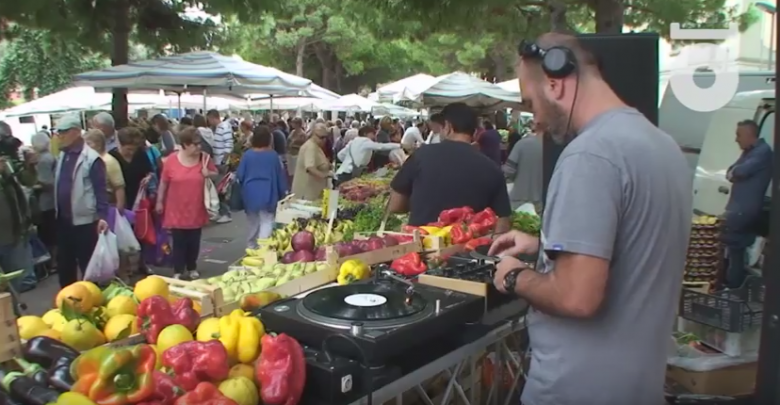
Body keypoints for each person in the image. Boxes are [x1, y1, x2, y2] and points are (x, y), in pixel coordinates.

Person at [487, 33, 692, 405]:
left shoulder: (590, 156)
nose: (535, 121)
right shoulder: (662, 145)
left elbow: (577, 297)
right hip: (639, 387)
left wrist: (514, 274)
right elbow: (636, 248)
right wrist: (545, 245)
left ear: (555, 82)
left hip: (577, 390)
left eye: (532, 104)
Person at [389, 103, 512, 229]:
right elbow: (503, 220)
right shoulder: (492, 168)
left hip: (421, 243)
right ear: (475, 133)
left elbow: (395, 205)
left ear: (447, 127)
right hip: (469, 245)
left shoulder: (421, 155)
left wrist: (422, 203)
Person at [53, 114, 109, 288]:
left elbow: (100, 189)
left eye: (64, 132)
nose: (60, 136)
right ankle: (67, 299)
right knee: (65, 265)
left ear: (76, 132)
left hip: (85, 222)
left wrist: (102, 216)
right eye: (58, 132)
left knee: (88, 267)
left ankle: (90, 300)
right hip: (63, 220)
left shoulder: (91, 158)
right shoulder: (63, 155)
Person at [155, 127, 217, 280]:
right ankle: (178, 269)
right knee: (178, 241)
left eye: (199, 143)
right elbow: (164, 182)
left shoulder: (204, 158)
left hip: (197, 206)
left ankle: (192, 266)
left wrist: (208, 174)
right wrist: (159, 201)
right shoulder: (171, 160)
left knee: (194, 240)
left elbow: (215, 173)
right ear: (184, 145)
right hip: (176, 207)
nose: (199, 147)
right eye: (195, 144)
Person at [721, 119, 773, 288]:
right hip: (737, 209)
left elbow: (740, 171)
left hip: (744, 211)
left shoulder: (763, 152)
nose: (736, 139)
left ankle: (734, 287)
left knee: (735, 248)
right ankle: (731, 284)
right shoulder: (748, 152)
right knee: (731, 249)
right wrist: (734, 173)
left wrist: (735, 173)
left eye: (739, 135)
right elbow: (730, 171)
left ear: (750, 135)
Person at [237, 126, 288, 248]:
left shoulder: (247, 155)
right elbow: (280, 175)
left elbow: (240, 175)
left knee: (252, 221)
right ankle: (263, 246)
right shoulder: (273, 156)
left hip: (250, 192)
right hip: (269, 191)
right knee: (267, 220)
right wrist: (284, 192)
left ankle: (251, 245)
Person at [336, 125, 402, 184]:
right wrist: (400, 145)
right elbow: (381, 146)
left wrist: (348, 161)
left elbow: (340, 155)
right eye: (372, 133)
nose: (374, 135)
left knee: (338, 192)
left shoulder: (353, 142)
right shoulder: (365, 141)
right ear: (365, 134)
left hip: (343, 172)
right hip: (350, 173)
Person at [31, 132, 57, 273]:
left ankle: (51, 263)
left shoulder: (43, 160)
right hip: (51, 201)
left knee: (48, 234)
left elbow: (46, 182)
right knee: (52, 233)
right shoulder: (50, 157)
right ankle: (53, 262)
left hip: (46, 202)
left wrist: (33, 186)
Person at [109, 128, 153, 210]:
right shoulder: (112, 157)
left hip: (139, 198)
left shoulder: (140, 153)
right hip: (121, 199)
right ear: (120, 145)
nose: (132, 152)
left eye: (134, 149)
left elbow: (149, 171)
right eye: (128, 149)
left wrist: (148, 178)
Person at [84, 130, 126, 214]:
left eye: (89, 144)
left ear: (99, 145)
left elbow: (119, 186)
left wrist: (120, 207)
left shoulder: (109, 161)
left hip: (109, 205)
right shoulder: (92, 160)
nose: (86, 148)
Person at [503, 122, 543, 210]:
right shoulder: (555, 148)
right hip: (541, 202)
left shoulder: (521, 144)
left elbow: (508, 171)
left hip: (519, 200)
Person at [291, 123, 331, 201]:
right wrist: (324, 175)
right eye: (321, 137)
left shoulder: (315, 146)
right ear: (313, 134)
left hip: (314, 191)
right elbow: (310, 168)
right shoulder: (310, 147)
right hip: (307, 193)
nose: (324, 140)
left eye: (325, 137)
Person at [207, 109, 234, 223]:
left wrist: (223, 162)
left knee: (221, 189)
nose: (209, 122)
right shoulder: (219, 128)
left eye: (209, 119)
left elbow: (229, 146)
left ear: (213, 118)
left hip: (222, 163)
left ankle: (226, 213)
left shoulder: (224, 127)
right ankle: (223, 212)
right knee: (220, 188)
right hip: (219, 162)